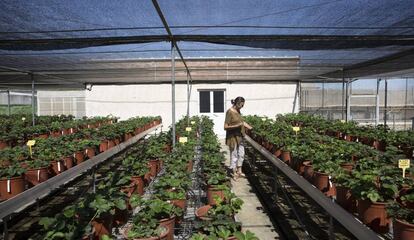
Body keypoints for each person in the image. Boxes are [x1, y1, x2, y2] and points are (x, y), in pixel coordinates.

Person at [224, 96, 252, 180]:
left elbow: (241, 122)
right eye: (241, 105)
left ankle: (240, 170)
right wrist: (237, 125)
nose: (242, 107)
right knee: (234, 155)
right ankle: (234, 172)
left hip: (240, 136)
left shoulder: (238, 110)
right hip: (232, 137)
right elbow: (225, 126)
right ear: (237, 103)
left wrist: (249, 126)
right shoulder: (229, 112)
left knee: (241, 154)